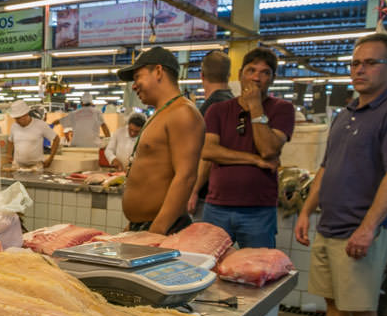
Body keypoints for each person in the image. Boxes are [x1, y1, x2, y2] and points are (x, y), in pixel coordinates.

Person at [287, 32, 387, 316]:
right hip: (331, 225)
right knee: (334, 303)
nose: (360, 69)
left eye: (371, 62)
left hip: (362, 229)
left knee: (361, 307)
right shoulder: (345, 113)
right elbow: (325, 169)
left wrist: (369, 227)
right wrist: (306, 211)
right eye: (355, 63)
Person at [199, 48, 295, 248]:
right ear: (240, 74)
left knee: (258, 269)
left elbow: (268, 149)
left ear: (273, 79)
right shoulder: (218, 110)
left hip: (258, 210)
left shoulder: (282, 109)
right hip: (216, 206)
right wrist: (255, 160)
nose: (256, 78)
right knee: (207, 268)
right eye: (251, 71)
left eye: (264, 72)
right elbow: (209, 151)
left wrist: (256, 107)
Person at [117, 46, 203, 235]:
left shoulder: (182, 113)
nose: (134, 85)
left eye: (138, 76)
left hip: (163, 230)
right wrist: (133, 225)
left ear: (158, 71)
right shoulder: (160, 114)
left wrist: (157, 230)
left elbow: (186, 176)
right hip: (145, 228)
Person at [189, 51, 235, 214]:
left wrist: (194, 189)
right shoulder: (237, 105)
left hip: (208, 195)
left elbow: (207, 156)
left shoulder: (211, 109)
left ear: (202, 75)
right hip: (230, 191)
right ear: (229, 75)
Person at [5, 100, 60, 170]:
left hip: (35, 167)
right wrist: (9, 154)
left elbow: (56, 139)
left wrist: (50, 159)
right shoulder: (14, 126)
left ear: (26, 114)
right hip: (17, 166)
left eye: (19, 118)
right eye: (15, 119)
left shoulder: (40, 125)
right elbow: (10, 141)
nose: (17, 121)